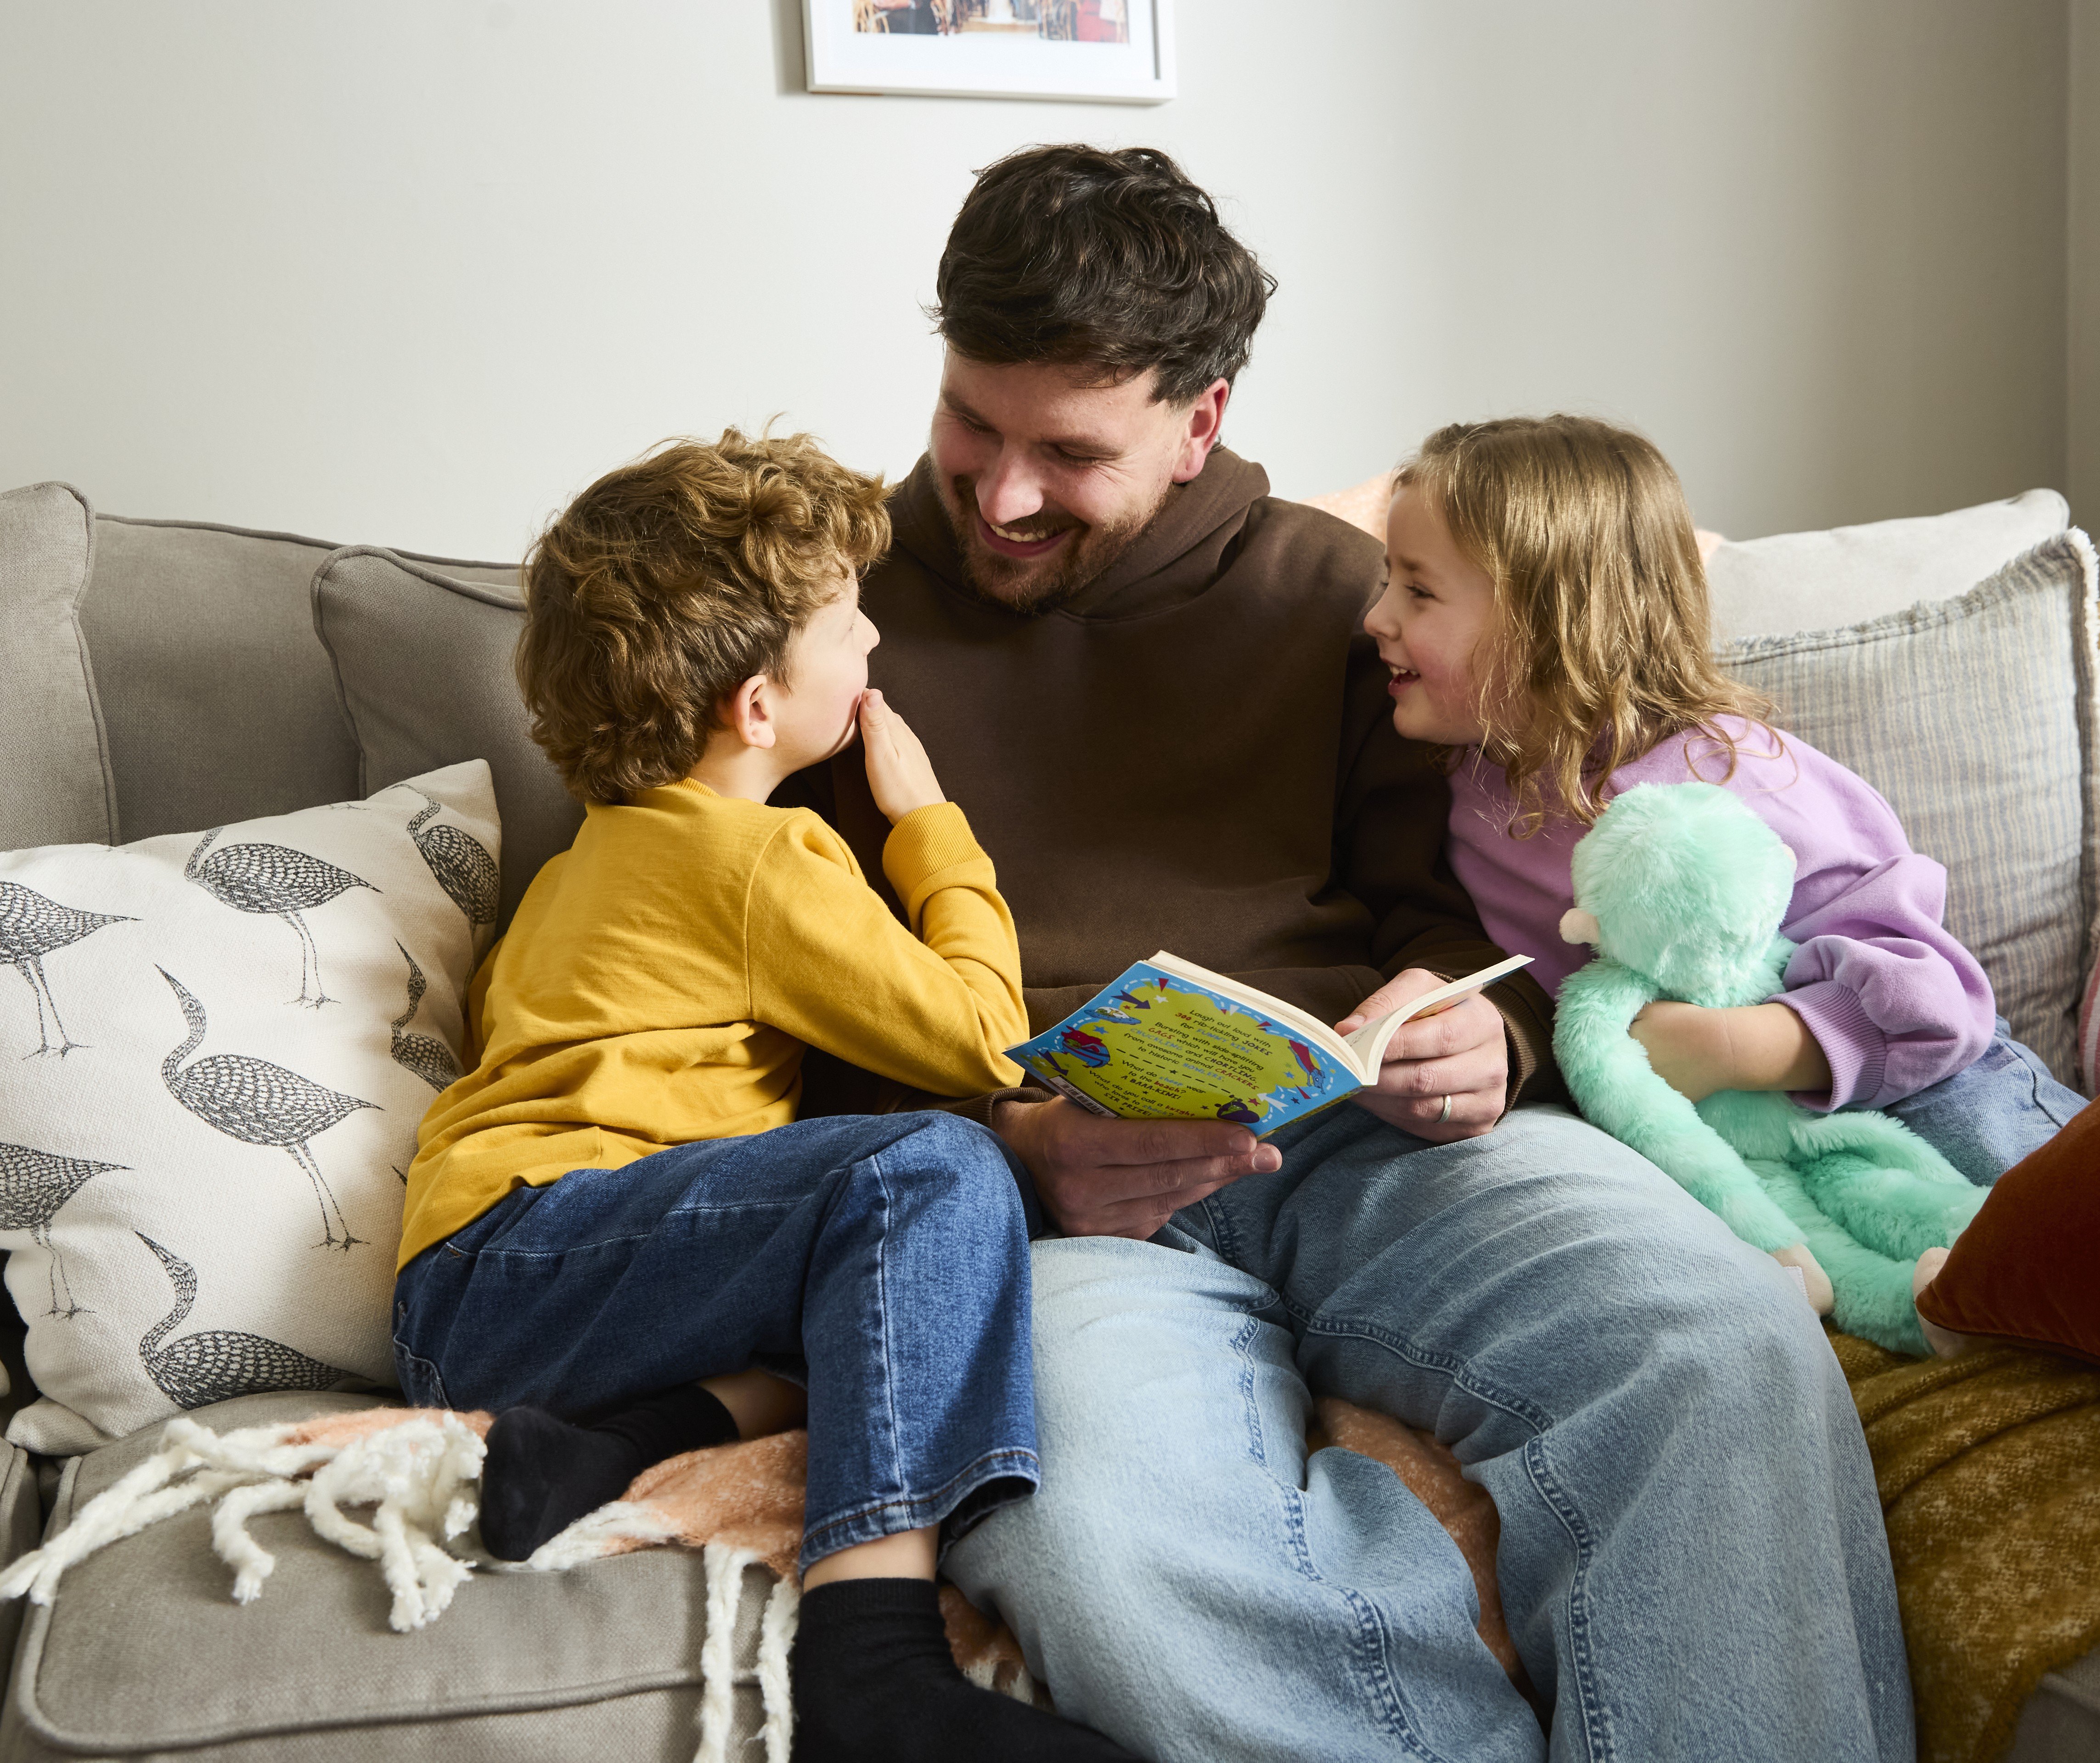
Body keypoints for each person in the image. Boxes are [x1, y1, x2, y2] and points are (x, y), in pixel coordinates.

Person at [781, 143, 1915, 1762]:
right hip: (1052, 1209)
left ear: (1203, 421)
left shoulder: (1347, 604)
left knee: (1719, 1341)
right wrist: (1004, 1150)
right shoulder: (825, 624)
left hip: (1380, 1145)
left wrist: (1490, 1034)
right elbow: (751, 1013)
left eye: (1068, 451)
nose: (1004, 494)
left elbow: (1485, 913)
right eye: (972, 423)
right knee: (1095, 1543)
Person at [390, 429, 1137, 1763]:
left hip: (469, 1300)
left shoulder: (582, 862)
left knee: (887, 1318)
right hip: (536, 1251)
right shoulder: (759, 857)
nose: (872, 657)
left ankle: (607, 1445)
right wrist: (927, 825)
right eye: (852, 627)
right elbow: (980, 1039)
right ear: (753, 705)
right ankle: (872, 1661)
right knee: (939, 1177)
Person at [1368, 414, 2084, 1191]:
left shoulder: (1726, 770)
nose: (1377, 617)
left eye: (1418, 590)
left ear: (1550, 624)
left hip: (1937, 1093)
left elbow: (1935, 997)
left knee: (2095, 1230)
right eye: (1385, 581)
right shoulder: (1455, 784)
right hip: (1765, 1162)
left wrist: (1732, 1049)